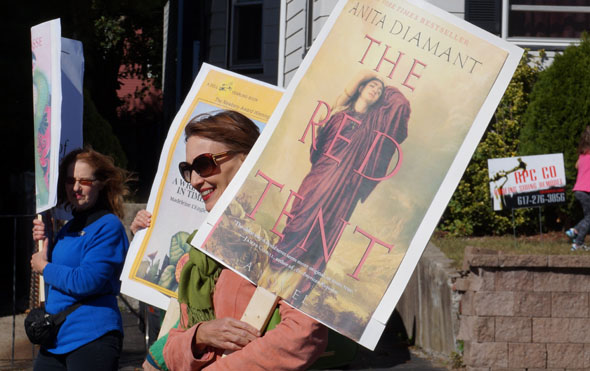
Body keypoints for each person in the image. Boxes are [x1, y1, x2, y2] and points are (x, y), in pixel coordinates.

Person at [136, 110, 328, 370]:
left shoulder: (292, 236)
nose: (194, 180)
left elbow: (303, 334)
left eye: (203, 165)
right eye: (188, 169)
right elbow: (172, 346)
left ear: (248, 160)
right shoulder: (202, 250)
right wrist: (200, 335)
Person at [266, 71, 411, 302]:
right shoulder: (337, 117)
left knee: (323, 238)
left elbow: (400, 104)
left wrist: (382, 83)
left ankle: (296, 295)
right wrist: (366, 76)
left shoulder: (375, 125)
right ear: (360, 88)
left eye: (380, 91)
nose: (376, 90)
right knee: (298, 226)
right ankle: (271, 276)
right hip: (318, 181)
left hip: (345, 192)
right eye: (372, 86)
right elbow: (316, 152)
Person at [31, 148, 130, 370]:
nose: (75, 188)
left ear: (100, 183)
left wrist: (44, 266)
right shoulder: (68, 228)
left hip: (92, 336)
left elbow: (85, 281)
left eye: (84, 181)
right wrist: (45, 241)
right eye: (70, 180)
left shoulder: (108, 226)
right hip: (56, 338)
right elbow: (58, 281)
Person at [566, 126, 590, 251]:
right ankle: (577, 243)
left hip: (578, 190)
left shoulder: (582, 155)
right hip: (587, 191)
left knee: (588, 217)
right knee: (589, 218)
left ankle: (574, 231)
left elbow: (576, 166)